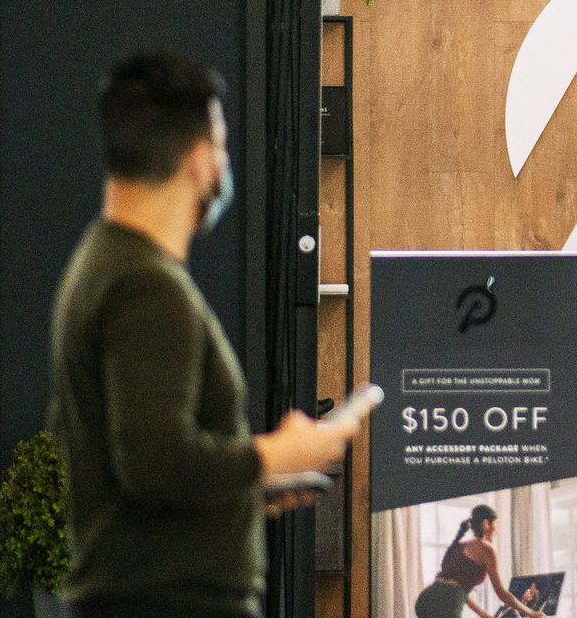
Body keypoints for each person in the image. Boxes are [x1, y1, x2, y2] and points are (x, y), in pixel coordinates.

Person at [50, 53, 361, 618]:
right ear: (197, 158)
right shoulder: (147, 286)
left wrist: (244, 488)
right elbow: (154, 459)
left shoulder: (102, 264)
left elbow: (139, 474)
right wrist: (278, 453)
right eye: (221, 146)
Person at [416, 505, 547, 618]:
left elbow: (461, 591)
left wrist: (484, 615)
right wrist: (532, 613)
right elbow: (501, 593)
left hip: (426, 600)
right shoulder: (487, 549)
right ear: (486, 524)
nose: (496, 531)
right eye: (495, 525)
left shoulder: (461, 545)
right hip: (446, 605)